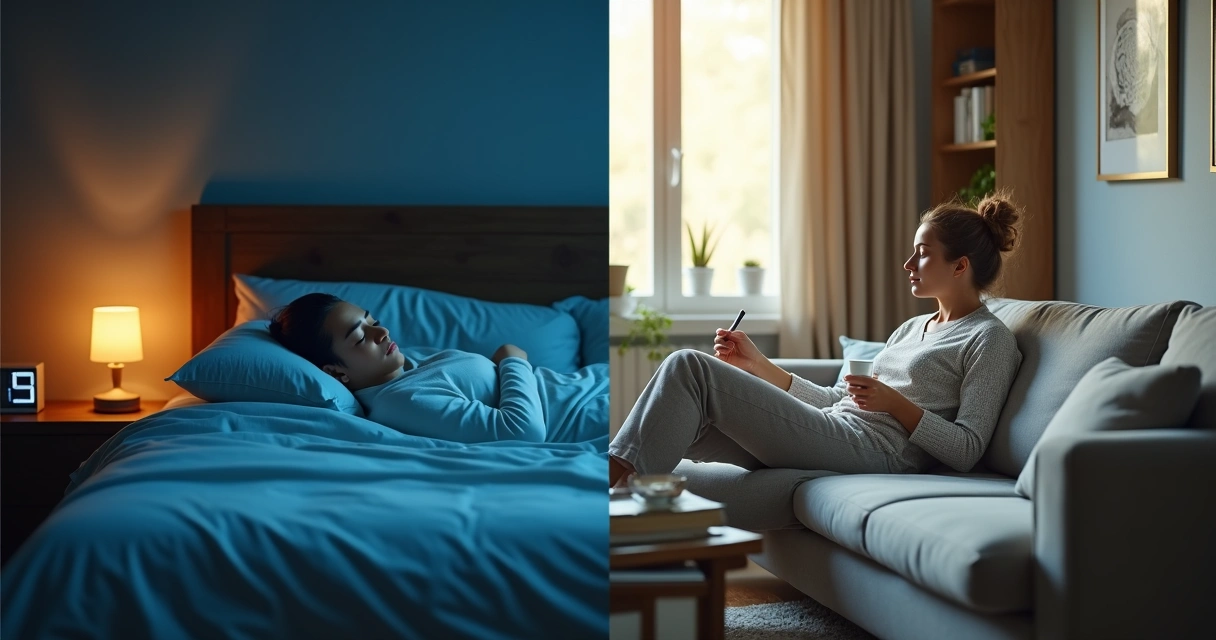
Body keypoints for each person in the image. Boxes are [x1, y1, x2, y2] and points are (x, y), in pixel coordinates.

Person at [608, 194, 1025, 487]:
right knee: (678, 423)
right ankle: (619, 516)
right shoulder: (911, 328)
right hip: (837, 430)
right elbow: (834, 399)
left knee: (689, 367)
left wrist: (896, 404)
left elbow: (967, 448)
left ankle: (600, 496)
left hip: (878, 451)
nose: (908, 263)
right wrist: (757, 365)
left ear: (960, 267)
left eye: (922, 252)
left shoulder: (989, 339)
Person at [268, 294, 607, 444]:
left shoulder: (404, 363)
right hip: (593, 411)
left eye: (372, 321)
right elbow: (523, 432)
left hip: (595, 383)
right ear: (335, 373)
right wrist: (513, 360)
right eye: (360, 337)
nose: (381, 332)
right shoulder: (402, 401)